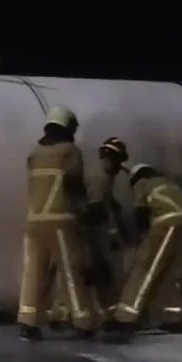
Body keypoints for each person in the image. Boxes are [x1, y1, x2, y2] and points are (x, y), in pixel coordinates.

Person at [17, 105, 100, 341]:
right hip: (62, 220)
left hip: (34, 222)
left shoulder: (34, 153)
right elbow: (74, 187)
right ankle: (83, 321)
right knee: (71, 271)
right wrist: (85, 213)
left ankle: (27, 320)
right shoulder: (69, 152)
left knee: (33, 272)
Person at [106, 161, 182, 338]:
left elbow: (140, 213)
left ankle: (126, 317)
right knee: (170, 271)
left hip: (168, 223)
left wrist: (142, 237)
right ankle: (172, 317)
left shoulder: (144, 183)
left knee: (146, 267)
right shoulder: (170, 183)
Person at [47, 135, 130, 328]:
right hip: (86, 230)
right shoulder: (101, 176)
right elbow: (94, 209)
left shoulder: (98, 172)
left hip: (77, 226)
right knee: (92, 272)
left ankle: (61, 313)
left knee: (74, 271)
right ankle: (102, 315)